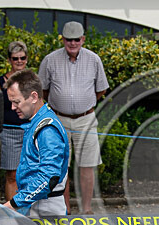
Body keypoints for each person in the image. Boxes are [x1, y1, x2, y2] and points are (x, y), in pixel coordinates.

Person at [38, 21, 108, 214]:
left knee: (87, 165)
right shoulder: (50, 60)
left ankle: (86, 209)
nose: (72, 43)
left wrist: (83, 104)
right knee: (61, 166)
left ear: (83, 39)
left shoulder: (94, 60)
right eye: (69, 39)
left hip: (86, 118)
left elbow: (101, 89)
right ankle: (65, 208)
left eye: (76, 39)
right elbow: (42, 89)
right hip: (59, 119)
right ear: (63, 39)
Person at [3, 69, 69, 216]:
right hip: (37, 204)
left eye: (17, 102)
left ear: (33, 97)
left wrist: (14, 203)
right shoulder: (37, 122)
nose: (13, 108)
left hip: (46, 208)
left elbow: (49, 177)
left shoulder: (47, 129)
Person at [0, 41, 29, 201]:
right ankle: (12, 211)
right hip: (8, 132)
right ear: (9, 60)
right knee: (12, 175)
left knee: (30, 173)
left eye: (22, 58)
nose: (19, 61)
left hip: (29, 131)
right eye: (15, 58)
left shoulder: (32, 81)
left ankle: (27, 211)